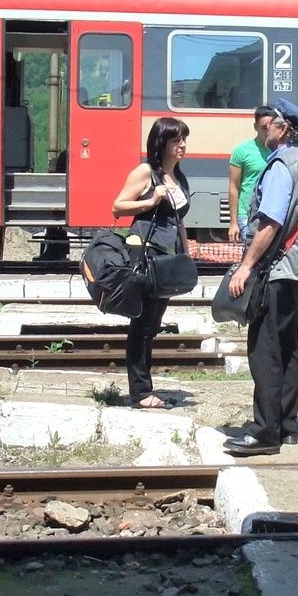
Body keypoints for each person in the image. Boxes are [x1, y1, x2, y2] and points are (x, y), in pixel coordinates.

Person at [223, 98, 298, 456]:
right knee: (288, 347)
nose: (264, 129)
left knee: (265, 350)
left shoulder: (280, 166)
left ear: (283, 129)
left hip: (276, 270)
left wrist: (246, 265)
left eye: (269, 124)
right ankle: (288, 425)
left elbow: (269, 222)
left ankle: (265, 431)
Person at [110, 117, 192, 410]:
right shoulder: (146, 173)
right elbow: (117, 206)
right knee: (142, 326)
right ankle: (141, 394)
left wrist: (186, 253)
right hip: (146, 258)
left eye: (184, 139)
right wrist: (150, 201)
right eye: (176, 140)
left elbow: (179, 220)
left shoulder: (179, 177)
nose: (182, 145)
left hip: (168, 261)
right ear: (162, 144)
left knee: (153, 326)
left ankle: (145, 390)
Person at [227, 105, 278, 242]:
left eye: (271, 126)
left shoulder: (281, 151)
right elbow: (233, 186)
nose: (267, 131)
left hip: (274, 214)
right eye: (263, 127)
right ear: (255, 127)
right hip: (248, 216)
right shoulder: (242, 151)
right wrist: (233, 223)